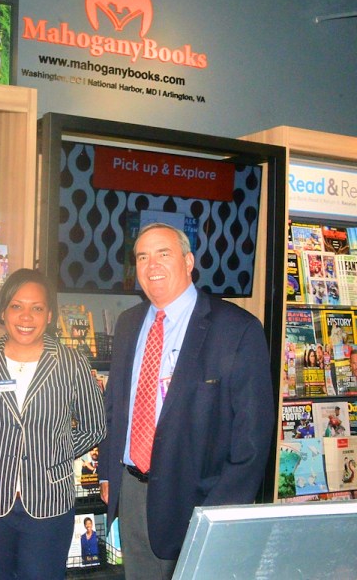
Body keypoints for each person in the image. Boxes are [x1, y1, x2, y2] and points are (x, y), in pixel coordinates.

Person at [99, 223, 273, 580]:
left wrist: (218, 513)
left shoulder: (237, 329)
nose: (151, 265)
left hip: (198, 500)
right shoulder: (129, 323)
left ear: (188, 260)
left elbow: (252, 440)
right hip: (132, 493)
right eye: (142, 257)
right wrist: (108, 474)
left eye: (164, 254)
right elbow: (115, 409)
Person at [0, 268, 105, 579]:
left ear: (50, 314)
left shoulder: (71, 362)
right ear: (3, 310)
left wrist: (54, 451)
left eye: (37, 308)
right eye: (17, 306)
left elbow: (94, 425)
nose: (26, 316)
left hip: (49, 498)